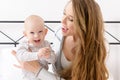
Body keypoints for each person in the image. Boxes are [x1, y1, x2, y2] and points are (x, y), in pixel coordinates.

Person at [12, 0, 109, 80]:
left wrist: (37, 69)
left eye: (71, 19)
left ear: (85, 24)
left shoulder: (99, 46)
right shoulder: (59, 33)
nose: (62, 21)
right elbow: (51, 60)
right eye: (64, 13)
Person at [15, 15, 56, 80]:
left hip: (43, 77)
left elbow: (53, 60)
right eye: (32, 32)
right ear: (25, 34)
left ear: (45, 32)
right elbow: (20, 56)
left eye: (40, 31)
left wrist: (49, 56)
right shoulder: (24, 44)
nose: (36, 35)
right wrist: (37, 54)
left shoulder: (46, 44)